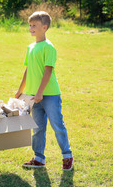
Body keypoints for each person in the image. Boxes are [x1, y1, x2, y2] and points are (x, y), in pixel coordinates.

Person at [15, 11, 73, 171]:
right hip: (34, 96)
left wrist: (40, 92)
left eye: (34, 25)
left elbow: (48, 71)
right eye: (30, 25)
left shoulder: (48, 47)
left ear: (44, 27)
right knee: (37, 128)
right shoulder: (31, 47)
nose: (31, 28)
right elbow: (28, 70)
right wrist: (20, 90)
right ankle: (39, 159)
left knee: (57, 125)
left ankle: (67, 156)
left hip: (49, 94)